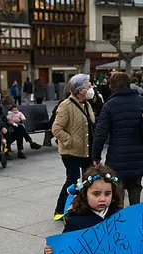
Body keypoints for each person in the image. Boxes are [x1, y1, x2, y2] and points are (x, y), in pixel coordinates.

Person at [92, 72, 143, 206]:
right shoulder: (142, 102)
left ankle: (120, 221)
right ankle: (134, 220)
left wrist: (96, 156)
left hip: (117, 157)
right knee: (135, 189)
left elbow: (100, 134)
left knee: (117, 192)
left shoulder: (109, 105)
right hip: (138, 155)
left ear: (113, 86)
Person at [52, 74, 96, 219]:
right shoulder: (66, 106)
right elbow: (56, 128)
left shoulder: (87, 104)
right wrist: (70, 141)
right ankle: (59, 211)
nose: (91, 89)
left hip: (86, 151)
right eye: (88, 86)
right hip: (71, 152)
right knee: (72, 181)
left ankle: (83, 208)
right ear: (80, 89)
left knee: (88, 181)